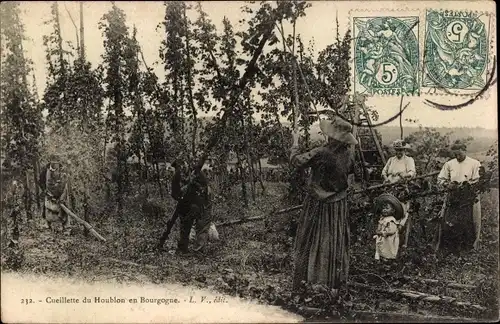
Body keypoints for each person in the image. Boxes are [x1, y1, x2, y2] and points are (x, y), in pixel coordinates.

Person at [290, 116, 357, 293]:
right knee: (333, 240)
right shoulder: (348, 154)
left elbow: (296, 162)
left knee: (313, 240)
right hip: (338, 206)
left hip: (318, 204)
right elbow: (350, 173)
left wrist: (295, 141)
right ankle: (332, 282)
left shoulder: (321, 152)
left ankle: (312, 281)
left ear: (331, 136)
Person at [158, 158, 213, 254]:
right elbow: (175, 193)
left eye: (182, 166)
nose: (182, 168)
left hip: (202, 199)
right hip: (187, 200)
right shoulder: (178, 176)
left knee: (202, 224)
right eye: (179, 167)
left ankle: (198, 250)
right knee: (185, 222)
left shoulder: (196, 172)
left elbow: (204, 184)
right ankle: (183, 248)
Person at [436, 142, 482, 253]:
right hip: (453, 196)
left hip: (468, 197)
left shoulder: (474, 163)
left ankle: (467, 246)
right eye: (455, 154)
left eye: (459, 154)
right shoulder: (449, 164)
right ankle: (450, 247)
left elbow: (478, 180)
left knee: (467, 220)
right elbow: (440, 179)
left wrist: (466, 185)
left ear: (464, 150)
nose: (457, 157)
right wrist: (448, 184)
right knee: (450, 220)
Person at [41, 155, 72, 234]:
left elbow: (64, 184)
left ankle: (67, 228)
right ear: (51, 163)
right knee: (48, 208)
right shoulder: (45, 171)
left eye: (57, 163)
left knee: (64, 209)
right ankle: (47, 224)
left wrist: (62, 195)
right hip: (49, 193)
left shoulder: (62, 171)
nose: (55, 165)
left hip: (61, 192)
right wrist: (46, 191)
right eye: (54, 163)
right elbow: (41, 182)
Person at [373, 193, 407, 261]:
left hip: (388, 238)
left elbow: (392, 230)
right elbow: (380, 226)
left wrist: (382, 233)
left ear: (393, 210)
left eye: (387, 208)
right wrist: (378, 230)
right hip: (383, 238)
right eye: (383, 208)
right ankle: (381, 258)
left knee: (388, 248)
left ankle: (387, 259)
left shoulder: (391, 220)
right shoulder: (383, 218)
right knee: (382, 247)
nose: (384, 210)